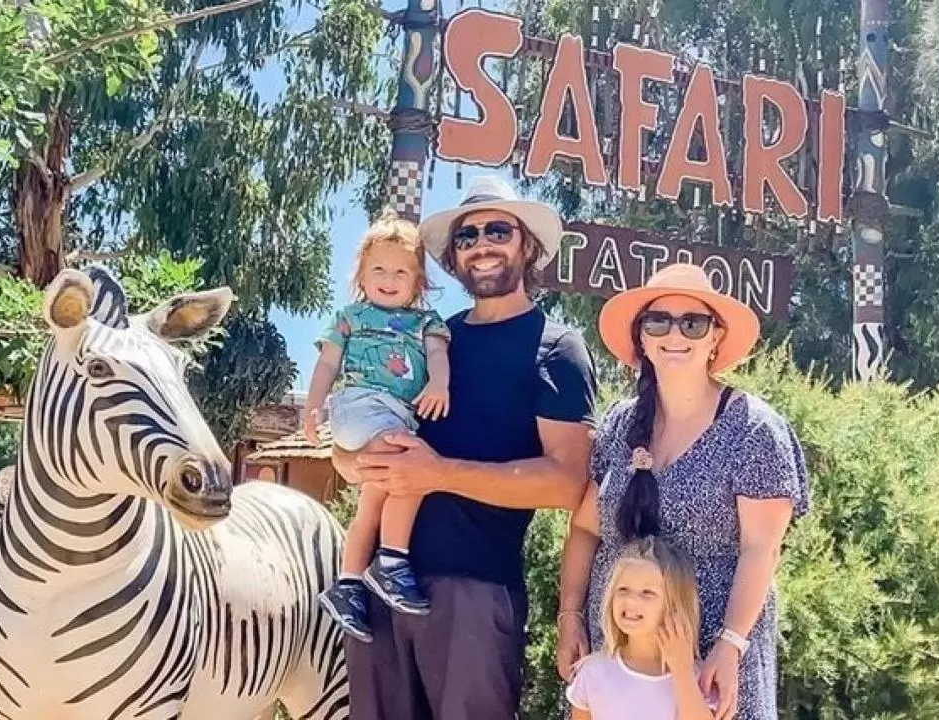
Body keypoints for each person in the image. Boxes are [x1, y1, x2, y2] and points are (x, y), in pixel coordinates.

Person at [334, 175, 597, 720]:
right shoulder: (429, 337)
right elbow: (357, 440)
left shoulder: (557, 347)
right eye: (466, 235)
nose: (481, 244)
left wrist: (437, 473)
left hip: (476, 592)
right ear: (452, 258)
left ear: (528, 246)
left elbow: (568, 483)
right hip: (379, 589)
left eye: (498, 230)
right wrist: (354, 460)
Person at [557, 264, 809, 720]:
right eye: (658, 321)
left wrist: (730, 646)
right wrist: (570, 616)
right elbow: (585, 528)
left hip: (715, 653)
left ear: (715, 337)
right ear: (642, 337)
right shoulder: (619, 423)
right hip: (620, 650)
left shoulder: (753, 429)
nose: (675, 334)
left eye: (693, 322)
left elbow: (761, 549)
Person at [305, 208, 451, 642]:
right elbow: (327, 362)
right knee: (414, 473)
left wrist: (439, 383)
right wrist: (314, 407)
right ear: (362, 276)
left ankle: (348, 585)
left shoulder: (427, 322)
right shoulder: (351, 316)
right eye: (379, 269)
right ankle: (391, 561)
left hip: (394, 415)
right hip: (360, 408)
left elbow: (439, 356)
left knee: (374, 498)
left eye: (401, 271)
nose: (389, 278)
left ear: (418, 282)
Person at [566, 536, 715, 720]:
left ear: (675, 606)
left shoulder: (699, 677)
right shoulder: (593, 672)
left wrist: (682, 671)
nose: (630, 600)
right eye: (623, 590)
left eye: (647, 593)